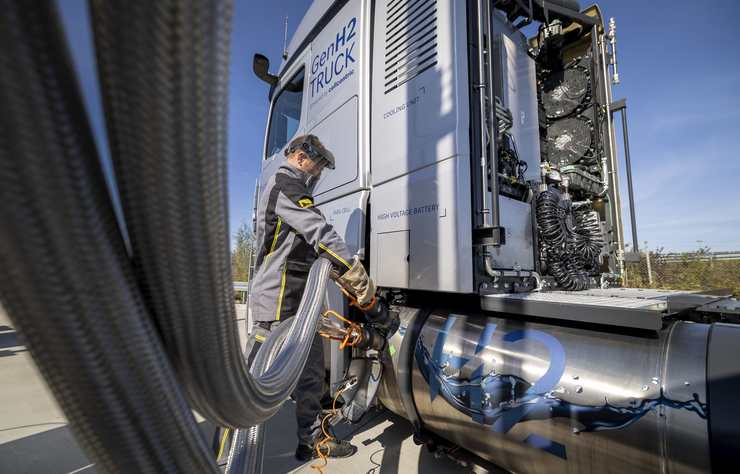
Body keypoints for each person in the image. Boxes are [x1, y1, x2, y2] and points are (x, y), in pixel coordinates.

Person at [248, 134, 375, 461]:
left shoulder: (295, 187)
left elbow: (305, 246)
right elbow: (318, 231)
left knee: (312, 375)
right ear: (302, 157)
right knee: (253, 382)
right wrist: (353, 270)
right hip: (278, 300)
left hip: (300, 302)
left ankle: (313, 439)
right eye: (318, 166)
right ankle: (230, 446)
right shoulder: (285, 184)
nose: (318, 174)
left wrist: (333, 272)